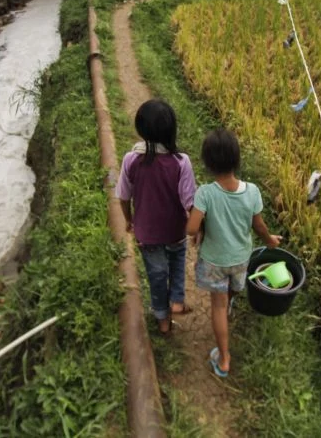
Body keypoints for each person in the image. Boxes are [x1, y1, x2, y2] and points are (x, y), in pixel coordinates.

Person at [187, 128, 281, 377]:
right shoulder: (252, 192)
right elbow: (258, 225)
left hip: (215, 261)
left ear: (207, 162)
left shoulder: (205, 193)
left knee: (217, 307)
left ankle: (225, 359)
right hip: (241, 258)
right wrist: (269, 240)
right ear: (237, 159)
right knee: (234, 287)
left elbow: (191, 228)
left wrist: (202, 223)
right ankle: (230, 300)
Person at [115, 99, 196, 335]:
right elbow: (190, 202)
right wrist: (197, 230)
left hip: (147, 233)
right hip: (175, 230)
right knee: (177, 262)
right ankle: (178, 300)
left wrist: (129, 220)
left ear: (141, 129)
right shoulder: (181, 162)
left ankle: (162, 319)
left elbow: (123, 196)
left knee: (157, 274)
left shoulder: (131, 160)